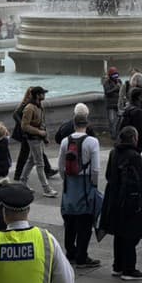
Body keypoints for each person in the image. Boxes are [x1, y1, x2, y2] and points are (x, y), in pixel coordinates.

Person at [100, 125, 142, 281]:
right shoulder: (134, 156)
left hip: (114, 199)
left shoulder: (114, 152)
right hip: (130, 200)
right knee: (131, 235)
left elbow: (108, 175)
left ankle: (118, 266)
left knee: (119, 234)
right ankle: (129, 269)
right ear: (134, 139)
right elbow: (141, 181)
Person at [58, 108, 102, 268]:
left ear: (74, 124)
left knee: (69, 222)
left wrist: (67, 181)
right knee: (85, 223)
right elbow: (96, 169)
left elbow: (60, 166)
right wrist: (94, 186)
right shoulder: (92, 142)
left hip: (69, 186)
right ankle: (82, 257)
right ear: (87, 124)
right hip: (85, 186)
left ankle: (70, 253)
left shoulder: (65, 141)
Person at [17, 87, 56, 198]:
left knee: (31, 161)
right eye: (43, 93)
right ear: (37, 95)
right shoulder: (29, 108)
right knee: (40, 164)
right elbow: (24, 126)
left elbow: (42, 122)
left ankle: (22, 182)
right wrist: (39, 132)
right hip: (33, 139)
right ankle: (46, 189)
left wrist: (44, 136)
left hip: (38, 138)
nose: (44, 95)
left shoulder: (39, 106)